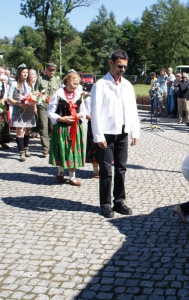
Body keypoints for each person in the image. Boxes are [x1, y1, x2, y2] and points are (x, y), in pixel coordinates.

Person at [90, 49, 140, 218]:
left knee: (121, 169)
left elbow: (133, 110)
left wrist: (135, 131)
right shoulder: (100, 85)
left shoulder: (127, 85)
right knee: (106, 170)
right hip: (107, 133)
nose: (122, 70)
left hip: (123, 133)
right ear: (111, 63)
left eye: (125, 67)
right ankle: (105, 204)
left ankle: (119, 202)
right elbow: (95, 112)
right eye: (119, 66)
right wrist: (98, 136)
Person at [47, 71, 87, 186]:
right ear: (67, 82)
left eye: (77, 84)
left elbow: (83, 110)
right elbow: (50, 111)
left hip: (75, 127)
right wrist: (61, 118)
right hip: (62, 127)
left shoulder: (79, 95)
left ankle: (72, 177)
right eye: (74, 84)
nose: (76, 86)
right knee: (63, 149)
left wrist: (78, 115)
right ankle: (60, 171)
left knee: (73, 150)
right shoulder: (58, 94)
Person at [7, 64, 36, 161]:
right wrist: (18, 103)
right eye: (23, 72)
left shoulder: (29, 84)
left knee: (28, 130)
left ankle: (26, 148)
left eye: (27, 72)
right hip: (18, 109)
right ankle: (21, 152)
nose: (25, 74)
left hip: (28, 109)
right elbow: (9, 97)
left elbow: (32, 96)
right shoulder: (14, 83)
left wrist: (34, 104)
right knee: (19, 131)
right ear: (19, 73)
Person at [35, 62, 62, 157]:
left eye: (54, 70)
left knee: (52, 126)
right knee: (43, 126)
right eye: (50, 70)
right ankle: (45, 148)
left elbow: (60, 93)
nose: (52, 72)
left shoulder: (57, 80)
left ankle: (52, 145)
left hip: (53, 106)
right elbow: (36, 93)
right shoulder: (40, 79)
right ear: (46, 70)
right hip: (43, 105)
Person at [27, 69, 40, 138]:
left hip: (38, 102)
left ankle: (37, 131)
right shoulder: (27, 84)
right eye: (31, 75)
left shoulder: (37, 83)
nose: (32, 77)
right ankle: (32, 130)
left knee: (37, 117)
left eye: (33, 75)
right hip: (30, 102)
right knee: (32, 117)